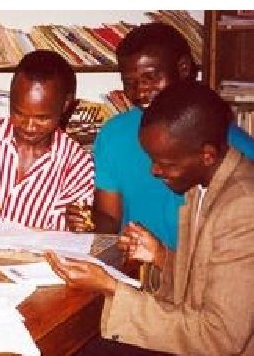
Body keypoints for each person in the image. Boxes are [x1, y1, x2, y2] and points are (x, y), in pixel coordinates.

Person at [3, 82, 254, 356]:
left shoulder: (243, 206)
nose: (154, 171)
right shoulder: (207, 183)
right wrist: (163, 257)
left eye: (165, 162)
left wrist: (111, 288)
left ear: (207, 154)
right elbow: (208, 286)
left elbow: (218, 334)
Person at [68, 22, 254, 248]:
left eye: (151, 78)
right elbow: (110, 221)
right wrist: (89, 222)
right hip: (132, 270)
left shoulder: (232, 147)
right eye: (130, 82)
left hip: (200, 276)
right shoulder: (114, 135)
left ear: (183, 69)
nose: (140, 91)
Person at [0, 50, 93, 229]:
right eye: (19, 113)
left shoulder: (77, 163)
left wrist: (79, 224)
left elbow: (68, 235)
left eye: (42, 118)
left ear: (65, 105)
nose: (29, 127)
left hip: (37, 256)